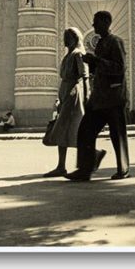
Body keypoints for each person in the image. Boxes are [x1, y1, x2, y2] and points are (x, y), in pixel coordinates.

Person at [66, 11, 130, 182]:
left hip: (114, 97)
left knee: (118, 134)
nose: (93, 25)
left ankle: (123, 169)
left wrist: (96, 61)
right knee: (85, 130)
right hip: (100, 98)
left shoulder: (116, 42)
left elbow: (119, 68)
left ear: (106, 22)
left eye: (96, 22)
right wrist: (91, 64)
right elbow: (100, 70)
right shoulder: (101, 44)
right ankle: (85, 168)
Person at [44, 27, 88, 177]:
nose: (64, 39)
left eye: (67, 37)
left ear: (75, 39)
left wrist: (86, 97)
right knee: (63, 130)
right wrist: (59, 97)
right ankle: (61, 166)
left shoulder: (78, 54)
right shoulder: (68, 55)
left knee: (71, 129)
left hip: (73, 94)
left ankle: (91, 158)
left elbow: (85, 76)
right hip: (65, 93)